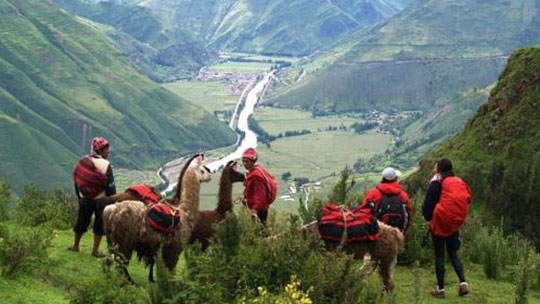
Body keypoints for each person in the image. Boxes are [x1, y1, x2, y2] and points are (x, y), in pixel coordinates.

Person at [423, 158, 470, 298]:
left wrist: (428, 217)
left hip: (439, 223)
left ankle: (440, 289)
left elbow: (427, 207)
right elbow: (468, 199)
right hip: (454, 224)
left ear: (439, 169)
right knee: (453, 253)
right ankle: (463, 283)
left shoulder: (436, 183)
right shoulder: (459, 182)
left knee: (439, 256)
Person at [69, 137, 116, 258]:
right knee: (99, 225)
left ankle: (75, 245)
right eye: (106, 150)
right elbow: (110, 187)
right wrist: (112, 201)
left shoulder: (83, 161)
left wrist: (79, 196)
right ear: (100, 150)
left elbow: (77, 180)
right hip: (101, 200)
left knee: (81, 221)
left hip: (84, 198)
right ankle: (95, 250)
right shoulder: (106, 165)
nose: (108, 152)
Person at [360, 167, 412, 233]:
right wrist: (404, 232)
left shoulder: (373, 194)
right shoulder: (403, 195)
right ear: (395, 179)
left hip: (377, 234)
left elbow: (364, 212)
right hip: (398, 234)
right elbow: (408, 214)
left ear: (383, 178)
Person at [241, 148, 277, 224]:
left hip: (260, 209)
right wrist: (244, 197)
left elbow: (260, 195)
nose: (244, 164)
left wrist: (255, 210)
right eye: (243, 161)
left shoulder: (256, 176)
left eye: (247, 161)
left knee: (260, 230)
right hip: (258, 207)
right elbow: (250, 188)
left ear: (252, 162)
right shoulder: (255, 170)